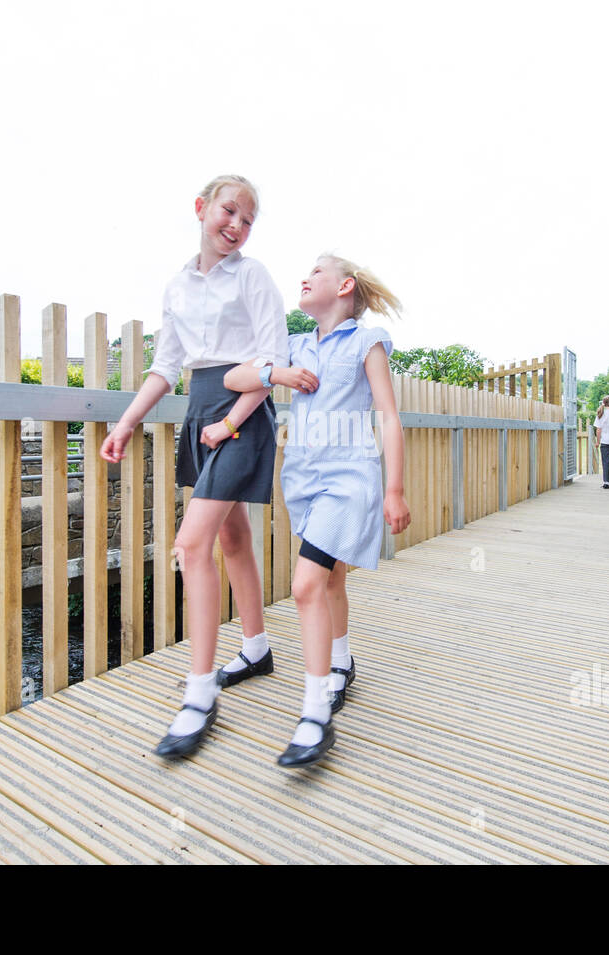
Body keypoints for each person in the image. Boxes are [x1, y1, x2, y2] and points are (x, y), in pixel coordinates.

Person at [100, 175, 288, 759]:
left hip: (241, 408)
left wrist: (231, 423)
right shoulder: (176, 285)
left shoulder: (253, 275)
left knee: (189, 545)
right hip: (199, 406)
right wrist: (128, 421)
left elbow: (273, 360)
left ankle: (200, 693)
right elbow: (166, 365)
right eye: (230, 211)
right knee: (232, 540)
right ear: (202, 207)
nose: (237, 226)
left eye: (249, 219)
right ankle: (255, 648)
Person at [223, 254, 410, 767]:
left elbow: (388, 418)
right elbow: (235, 379)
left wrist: (394, 489)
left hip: (348, 481)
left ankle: (315, 712)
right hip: (302, 482)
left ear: (344, 286)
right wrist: (276, 372)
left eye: (316, 274)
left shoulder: (366, 342)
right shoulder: (295, 346)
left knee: (306, 584)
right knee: (330, 581)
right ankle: (343, 663)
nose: (303, 279)